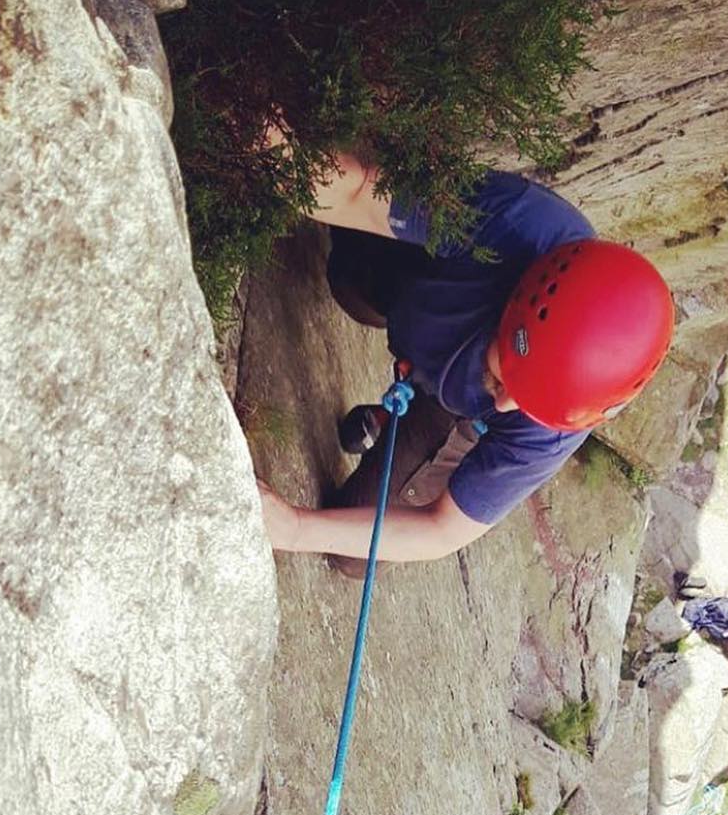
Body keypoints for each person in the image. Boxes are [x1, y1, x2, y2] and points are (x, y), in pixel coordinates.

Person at [256, 147, 675, 568]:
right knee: (348, 276)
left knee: (351, 558)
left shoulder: (557, 425)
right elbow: (356, 191)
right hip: (412, 280)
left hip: (451, 412)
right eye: (508, 380)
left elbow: (441, 530)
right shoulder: (515, 223)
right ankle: (400, 388)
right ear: (515, 309)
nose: (505, 405)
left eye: (528, 405)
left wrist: (292, 528)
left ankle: (396, 418)